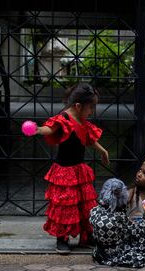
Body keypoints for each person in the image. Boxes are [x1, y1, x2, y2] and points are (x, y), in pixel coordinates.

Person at [35, 83, 110, 254]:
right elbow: (50, 128)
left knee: (86, 205)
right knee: (65, 206)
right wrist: (39, 129)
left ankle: (87, 236)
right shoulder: (64, 119)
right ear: (78, 106)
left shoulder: (82, 121)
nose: (92, 111)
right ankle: (62, 238)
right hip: (65, 172)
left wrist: (102, 150)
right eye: (91, 107)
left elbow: (89, 139)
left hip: (79, 170)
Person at [89, 178, 145, 268]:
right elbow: (137, 231)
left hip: (99, 254)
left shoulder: (94, 210)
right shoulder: (119, 216)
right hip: (115, 254)